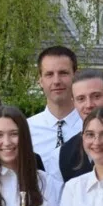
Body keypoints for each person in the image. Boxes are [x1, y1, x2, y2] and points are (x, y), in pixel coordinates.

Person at [29, 46, 80, 174]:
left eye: (63, 73)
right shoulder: (25, 130)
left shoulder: (92, 127)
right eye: (49, 74)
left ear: (75, 76)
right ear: (40, 81)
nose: (56, 81)